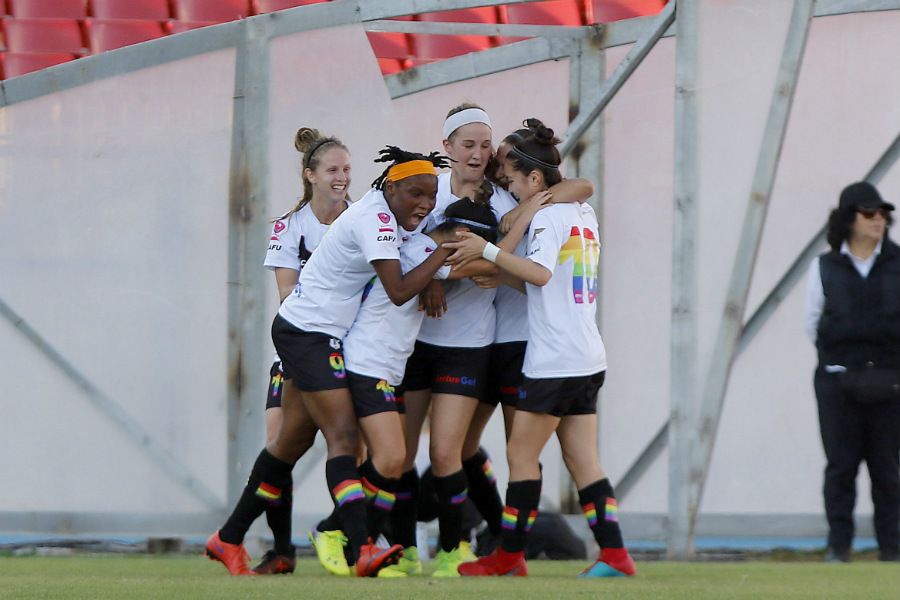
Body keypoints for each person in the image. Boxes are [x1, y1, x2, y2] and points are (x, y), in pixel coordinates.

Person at [205, 146, 453, 577]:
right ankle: (361, 549)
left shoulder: (380, 213)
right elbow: (397, 289)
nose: (426, 204)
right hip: (308, 334)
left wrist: (436, 258)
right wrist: (443, 254)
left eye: (431, 195)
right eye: (416, 192)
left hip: (316, 333)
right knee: (342, 438)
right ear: (390, 187)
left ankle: (227, 538)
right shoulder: (373, 219)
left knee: (289, 445)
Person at [445, 119, 636, 578]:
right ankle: (615, 555)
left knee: (520, 456)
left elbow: (541, 274)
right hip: (588, 355)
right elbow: (542, 281)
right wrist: (501, 266)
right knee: (582, 459)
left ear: (534, 179)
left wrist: (487, 253)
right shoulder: (583, 212)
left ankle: (509, 556)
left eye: (511, 178)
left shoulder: (549, 216)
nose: (507, 184)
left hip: (554, 359)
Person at [343, 197, 501, 578]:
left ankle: (446, 550)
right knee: (395, 456)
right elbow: (485, 266)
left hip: (443, 354)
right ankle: (361, 541)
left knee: (441, 454)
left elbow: (479, 265)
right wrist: (498, 262)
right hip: (381, 361)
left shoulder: (426, 250)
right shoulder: (422, 251)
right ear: (459, 235)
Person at [254, 126, 352, 575]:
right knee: (279, 444)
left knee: (356, 451)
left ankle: (348, 537)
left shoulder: (364, 221)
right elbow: (287, 297)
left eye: (348, 169)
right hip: (301, 348)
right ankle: (281, 550)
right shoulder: (289, 227)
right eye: (333, 169)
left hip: (352, 352)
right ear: (310, 174)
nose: (342, 177)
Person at [804, 181, 900, 563]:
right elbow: (812, 322)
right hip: (837, 380)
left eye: (883, 214)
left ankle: (892, 548)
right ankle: (838, 546)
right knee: (840, 466)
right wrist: (839, 358)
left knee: (887, 468)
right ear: (849, 219)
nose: (878, 220)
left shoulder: (897, 264)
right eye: (869, 213)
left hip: (890, 380)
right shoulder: (825, 266)